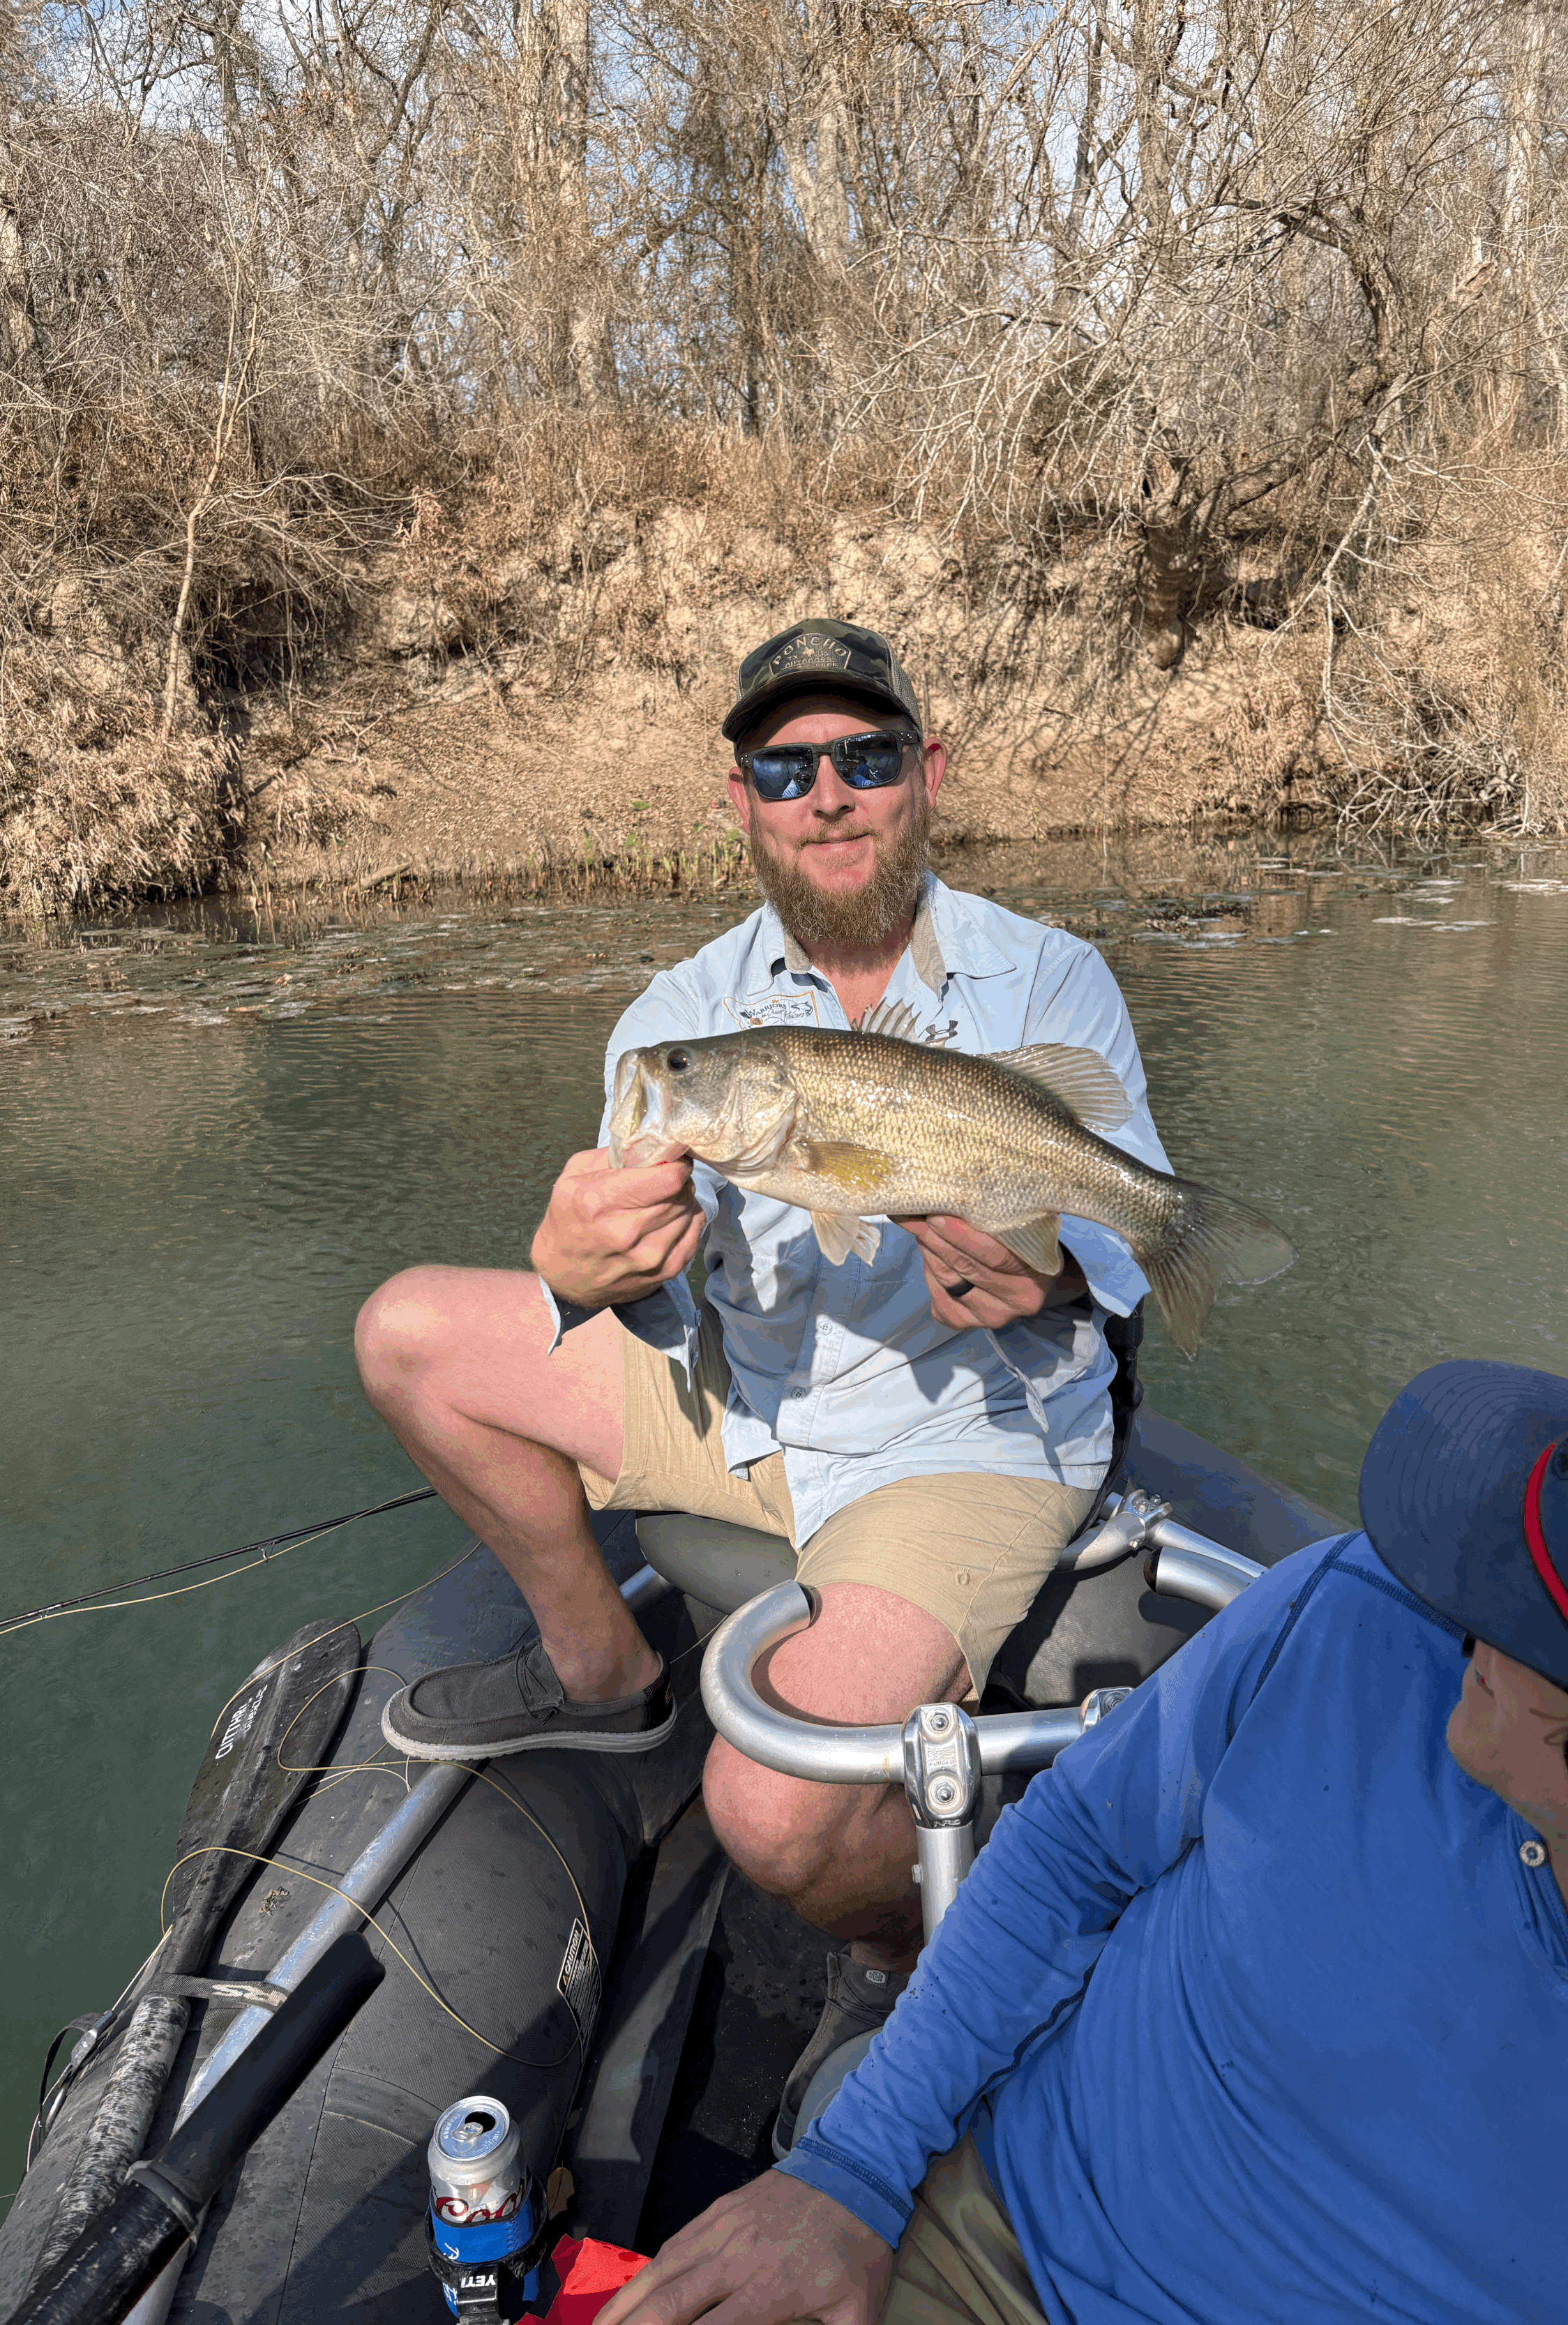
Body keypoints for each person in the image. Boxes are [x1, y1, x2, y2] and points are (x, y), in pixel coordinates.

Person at [353, 617, 1172, 2143]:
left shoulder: (1051, 976)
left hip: (960, 1431)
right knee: (407, 1330)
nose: (827, 795)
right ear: (737, 798)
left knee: (772, 1808)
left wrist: (1050, 1275)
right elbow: (654, 1298)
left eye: (863, 758)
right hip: (748, 1392)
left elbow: (1116, 1251)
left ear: (925, 775)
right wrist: (579, 1276)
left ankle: (895, 1959)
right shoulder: (677, 1025)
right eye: (784, 767)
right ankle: (602, 1677)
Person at [594, 1356, 1568, 2325]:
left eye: (1534, 1609)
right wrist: (852, 2172)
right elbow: (1072, 1847)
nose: (1465, 1598)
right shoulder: (1360, 1614)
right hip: (999, 2243)